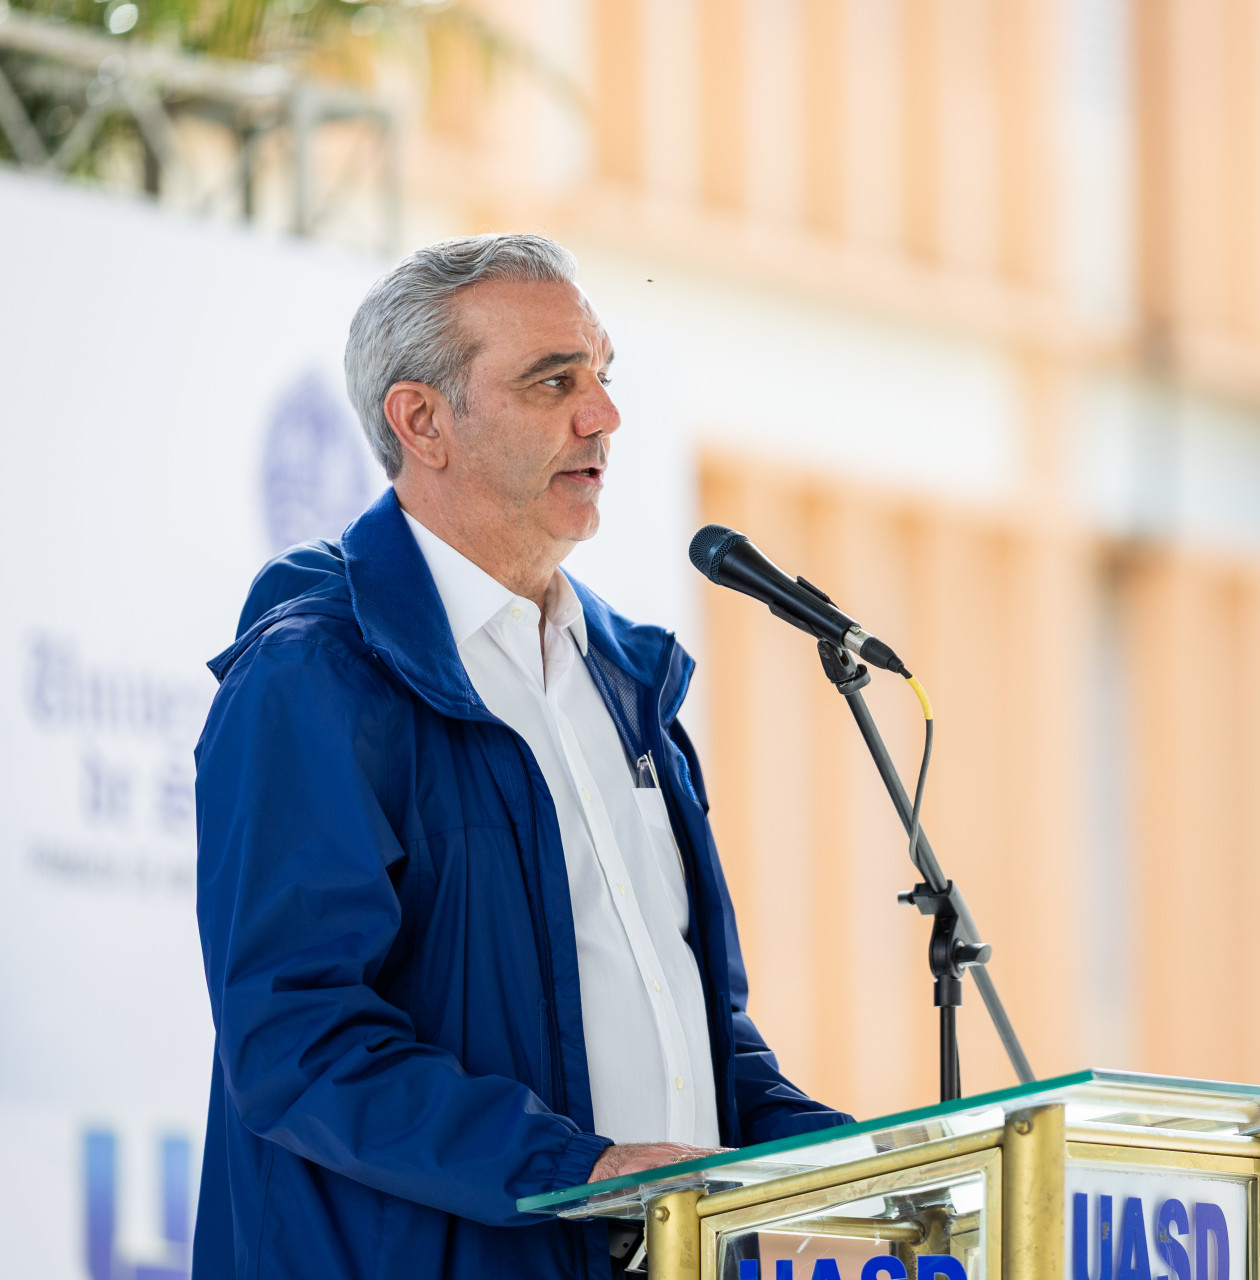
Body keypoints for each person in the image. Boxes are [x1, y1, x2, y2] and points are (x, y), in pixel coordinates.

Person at [193, 234, 850, 1280]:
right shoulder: (317, 675)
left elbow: (701, 1033)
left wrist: (854, 1159)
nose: (604, 416)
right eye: (554, 382)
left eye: (603, 376)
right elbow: (297, 1038)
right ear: (423, 422)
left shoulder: (628, 682)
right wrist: (582, 1170)